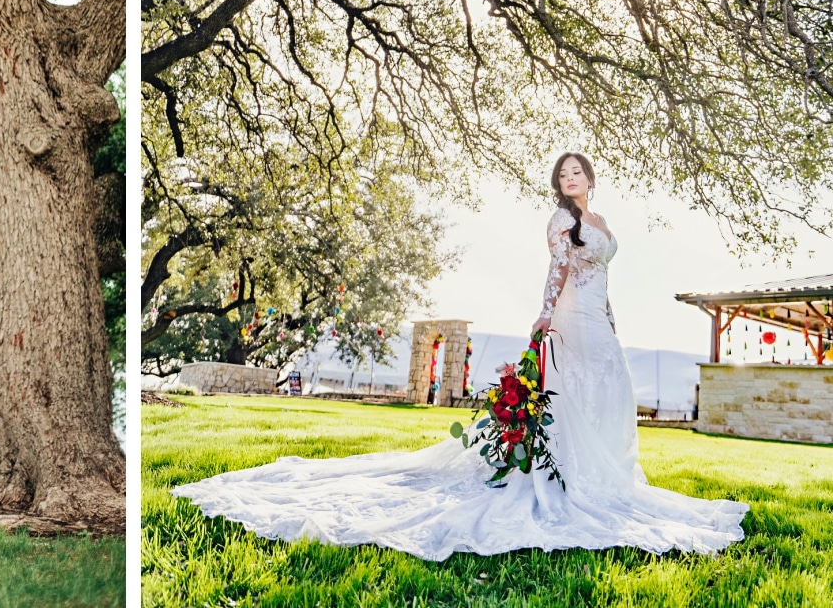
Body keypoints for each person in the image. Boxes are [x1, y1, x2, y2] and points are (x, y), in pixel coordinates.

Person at [172, 152, 748, 559]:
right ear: (559, 185)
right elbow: (559, 270)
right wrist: (545, 314)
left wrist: (613, 316)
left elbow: (601, 273)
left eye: (578, 172)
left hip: (601, 317)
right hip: (571, 315)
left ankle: (601, 472)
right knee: (574, 389)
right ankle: (571, 475)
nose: (571, 179)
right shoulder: (561, 221)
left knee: (608, 387)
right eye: (563, 174)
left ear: (589, 178)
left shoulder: (600, 221)